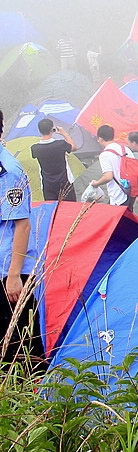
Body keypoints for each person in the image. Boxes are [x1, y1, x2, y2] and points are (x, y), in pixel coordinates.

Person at [0, 109, 42, 364]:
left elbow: (22, 225)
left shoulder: (8, 170)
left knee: (21, 347)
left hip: (11, 271)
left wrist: (14, 275)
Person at [30, 118, 78, 201]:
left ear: (40, 131)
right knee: (70, 208)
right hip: (65, 181)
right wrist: (64, 133)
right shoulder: (60, 144)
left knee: (53, 210)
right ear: (52, 129)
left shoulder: (35, 148)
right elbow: (74, 147)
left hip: (48, 184)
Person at [89, 125, 135, 208]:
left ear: (100, 138)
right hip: (130, 191)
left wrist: (96, 183)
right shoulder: (125, 149)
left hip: (118, 194)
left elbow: (108, 177)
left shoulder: (105, 154)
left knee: (119, 219)